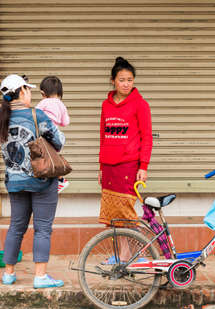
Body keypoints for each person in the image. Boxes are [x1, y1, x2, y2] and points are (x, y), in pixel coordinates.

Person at [0, 74, 65, 288]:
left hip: (14, 181)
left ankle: (8, 274)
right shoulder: (38, 115)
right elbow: (59, 142)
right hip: (41, 180)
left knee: (16, 226)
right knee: (43, 228)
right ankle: (40, 276)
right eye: (29, 90)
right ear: (22, 91)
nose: (31, 94)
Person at [98, 57, 152, 262]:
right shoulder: (106, 105)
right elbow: (103, 137)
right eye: (122, 80)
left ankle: (138, 254)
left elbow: (147, 137)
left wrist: (143, 166)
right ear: (113, 81)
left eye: (130, 80)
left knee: (127, 213)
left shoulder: (140, 105)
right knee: (113, 215)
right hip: (109, 168)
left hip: (129, 166)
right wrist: (101, 167)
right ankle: (122, 254)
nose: (126, 84)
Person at [36, 75, 70, 193]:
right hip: (57, 136)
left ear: (43, 93)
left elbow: (35, 115)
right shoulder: (61, 105)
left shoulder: (43, 102)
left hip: (45, 135)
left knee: (44, 157)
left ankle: (48, 180)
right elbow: (65, 122)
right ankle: (61, 180)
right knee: (53, 158)